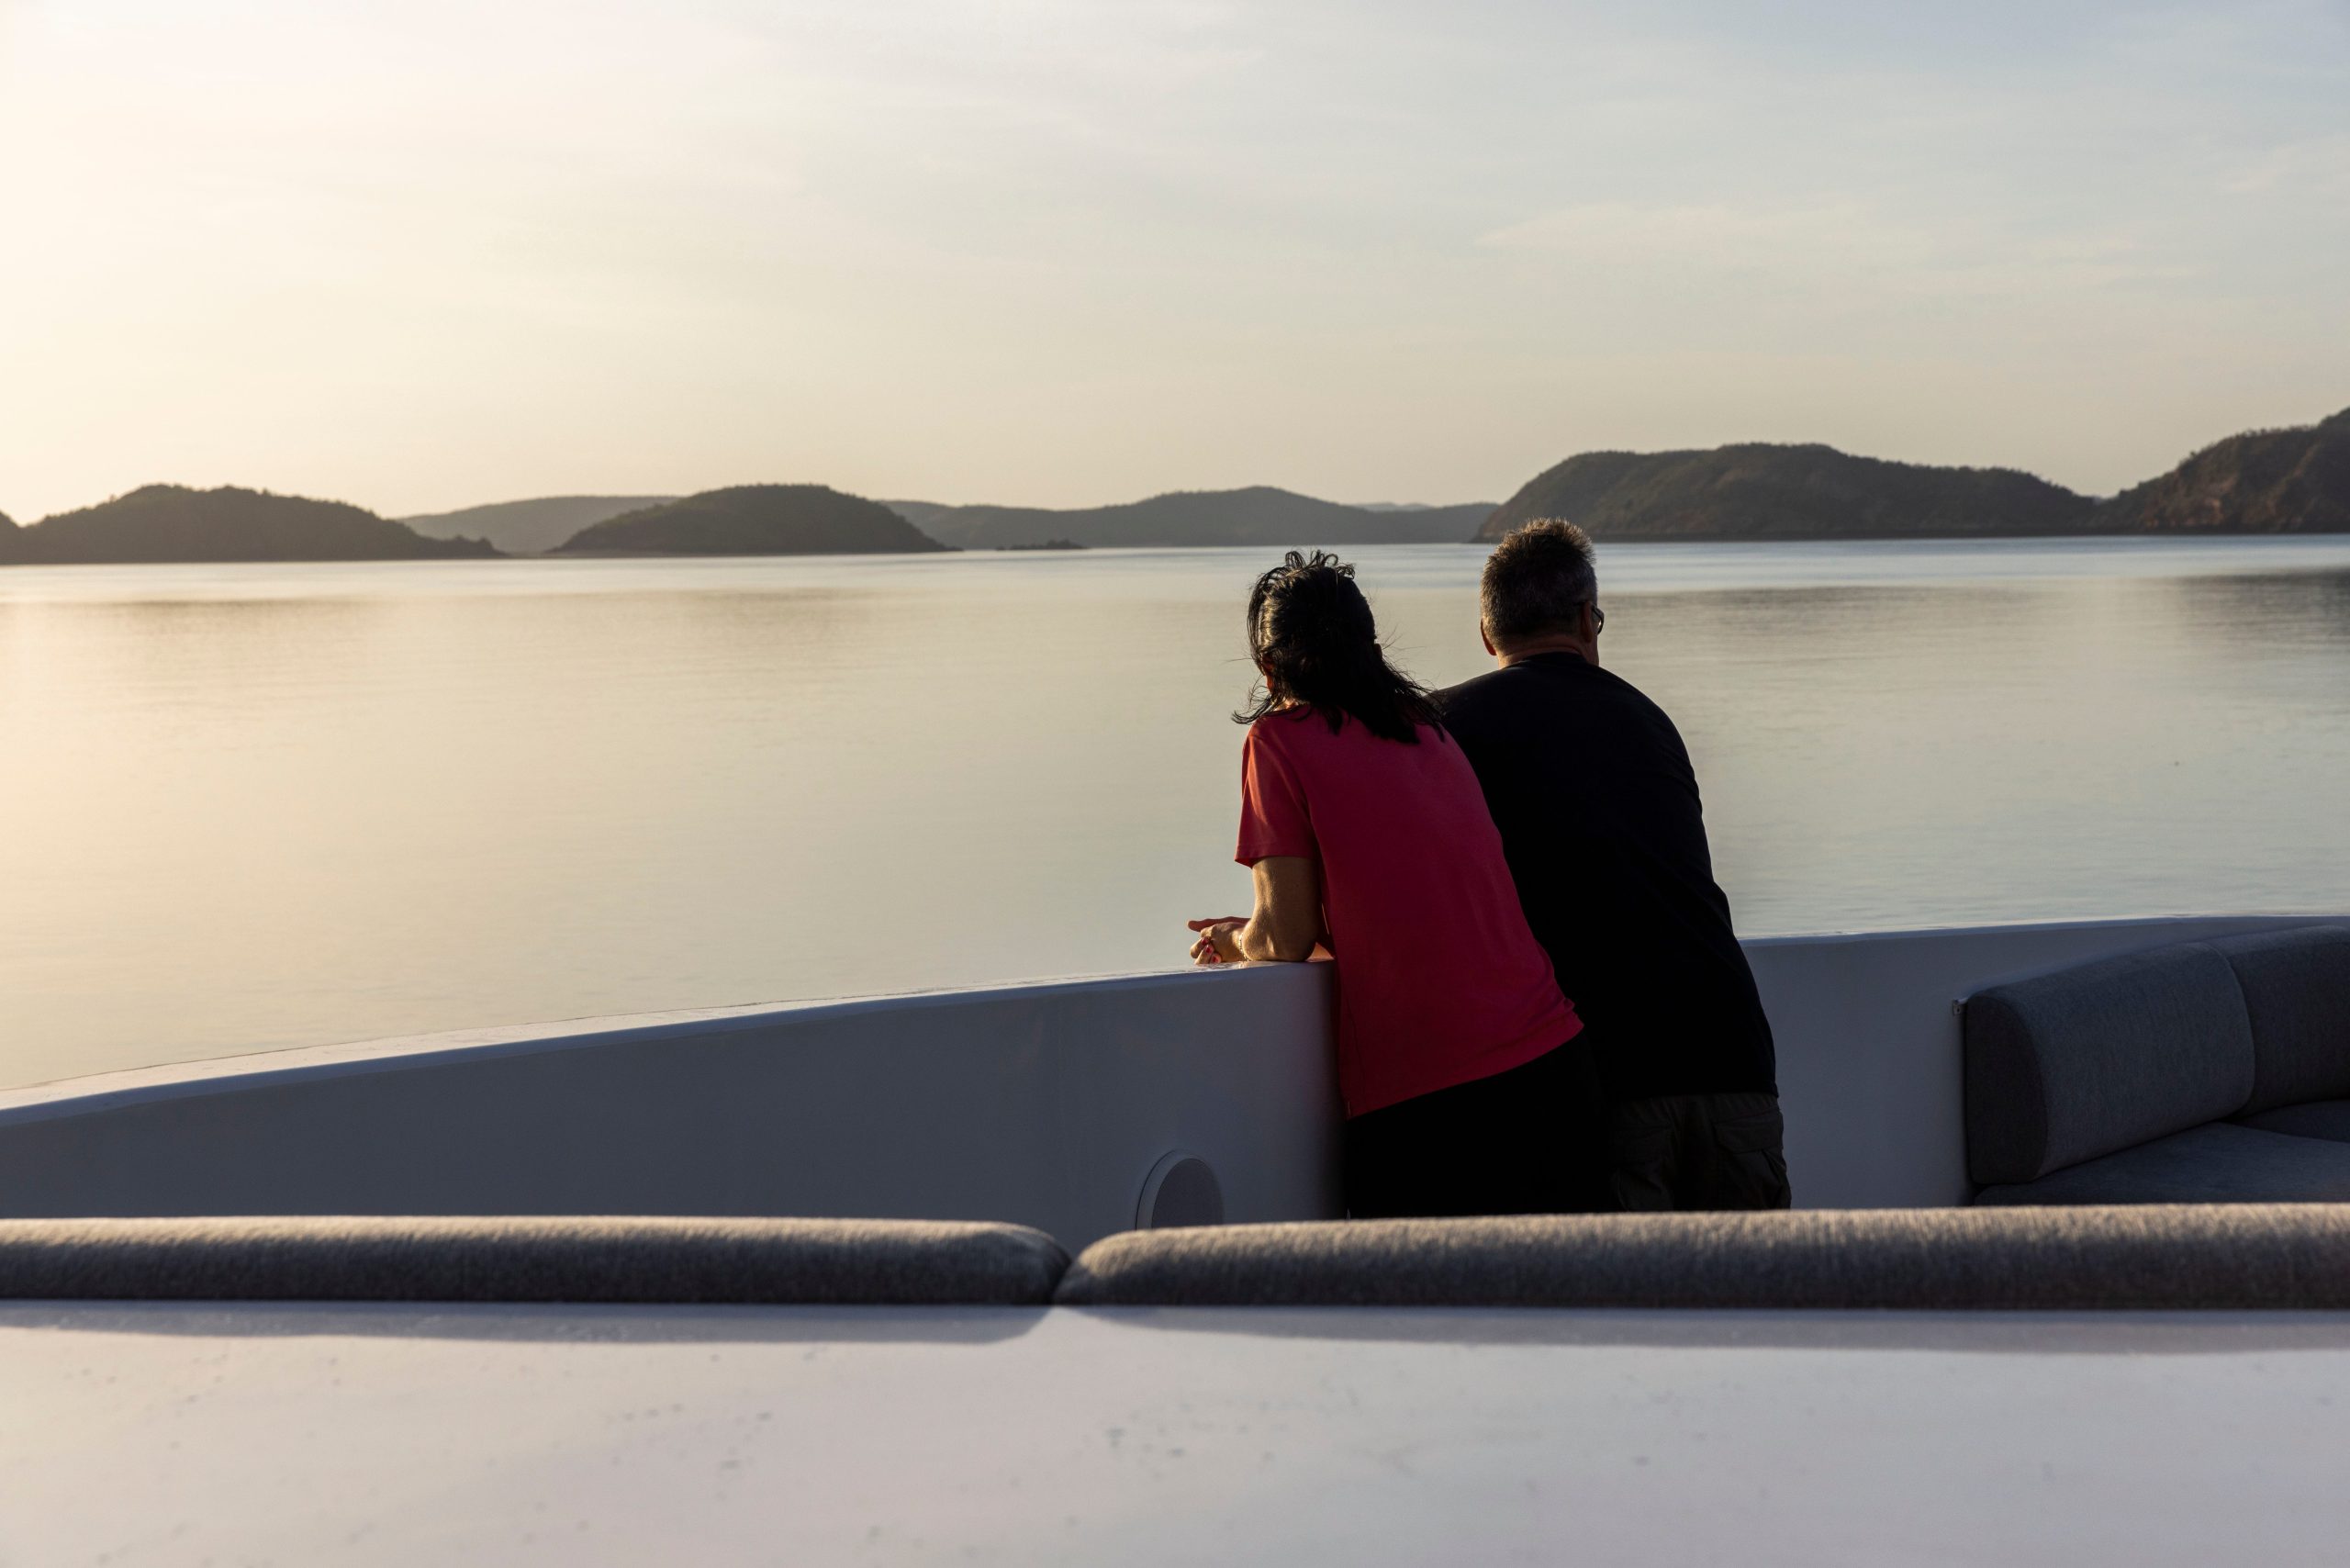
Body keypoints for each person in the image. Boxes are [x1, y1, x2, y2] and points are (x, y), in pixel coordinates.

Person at [1186, 550, 1608, 1219]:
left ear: (1269, 670)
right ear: (1371, 649)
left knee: (1420, 1320)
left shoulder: (1279, 741)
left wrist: (1234, 941)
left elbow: (1285, 937)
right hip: (1554, 1067)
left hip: (1433, 1101)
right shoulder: (1425, 728)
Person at [1437, 520, 1789, 1211]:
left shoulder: (1448, 728)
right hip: (1735, 1055)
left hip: (1610, 1077)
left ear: (1486, 635)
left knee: (1623, 1314)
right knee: (1759, 1309)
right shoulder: (1650, 720)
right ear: (1585, 620)